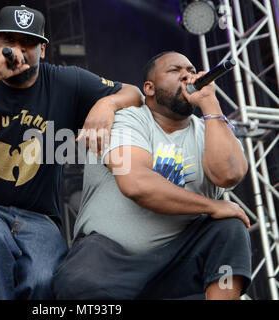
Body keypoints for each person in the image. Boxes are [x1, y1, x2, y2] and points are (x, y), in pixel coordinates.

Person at [0, 5, 143, 300]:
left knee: (43, 279)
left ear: (43, 49)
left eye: (27, 43)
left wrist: (107, 104)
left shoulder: (67, 81)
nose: (17, 51)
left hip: (39, 216)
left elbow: (135, 94)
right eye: (8, 42)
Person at [52, 51, 252, 300]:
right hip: (112, 259)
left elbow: (230, 175)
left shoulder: (211, 129)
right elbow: (137, 185)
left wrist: (211, 104)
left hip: (180, 261)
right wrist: (212, 206)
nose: (187, 76)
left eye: (191, 71)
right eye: (175, 70)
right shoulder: (126, 119)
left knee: (229, 228)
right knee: (77, 286)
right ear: (149, 88)